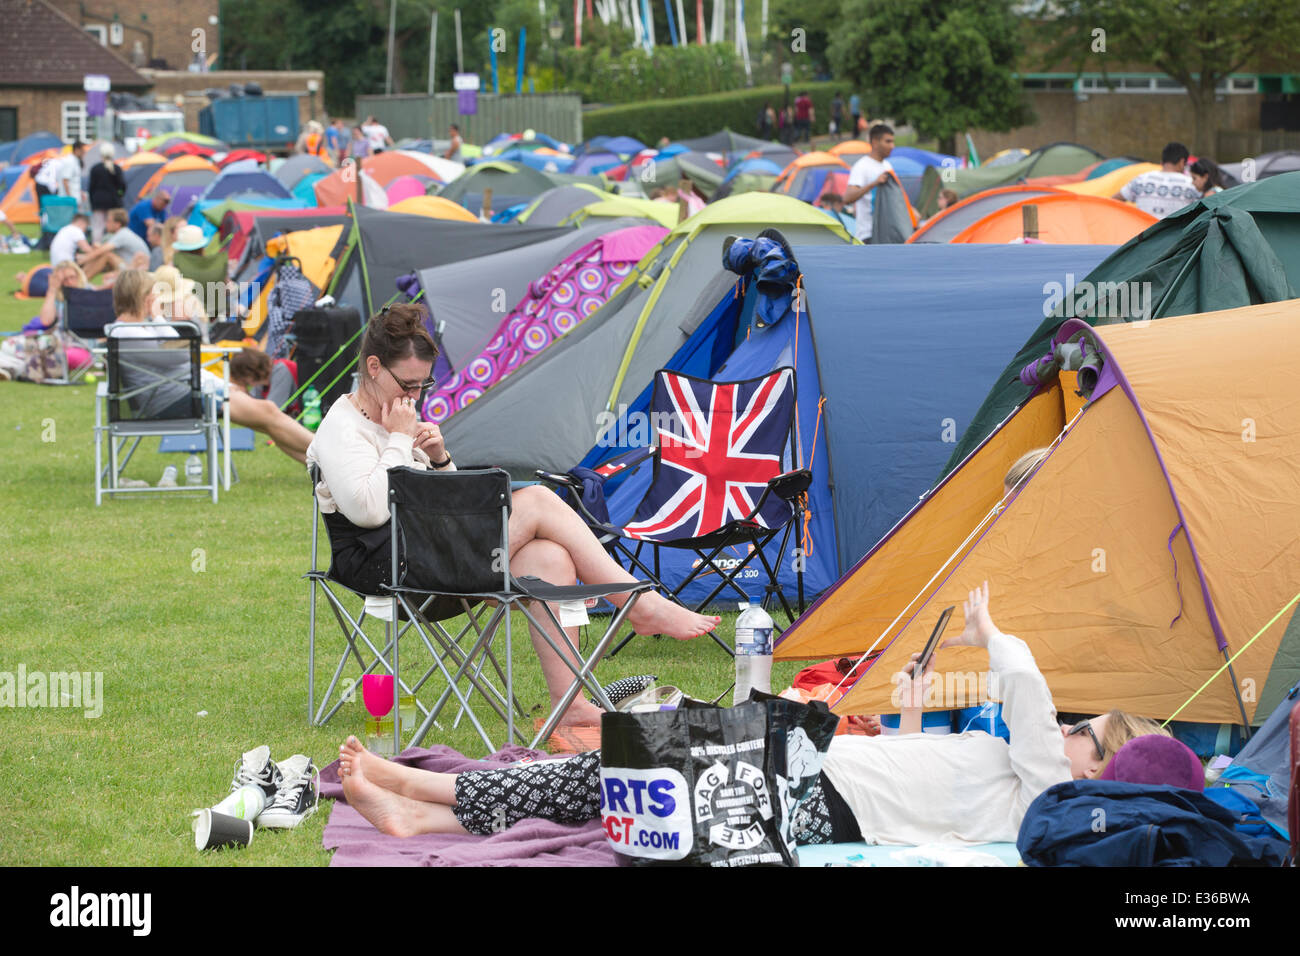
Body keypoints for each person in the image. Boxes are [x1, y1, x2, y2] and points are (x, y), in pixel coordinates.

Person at [334, 581, 1169, 843]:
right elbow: (927, 792)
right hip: (824, 773)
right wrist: (914, 719)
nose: (1066, 731)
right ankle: (427, 815)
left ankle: (423, 794)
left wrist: (996, 635)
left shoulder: (1052, 796)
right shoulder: (1032, 793)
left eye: (1084, 735)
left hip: (813, 794)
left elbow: (1025, 695)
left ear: (1105, 773)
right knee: (622, 787)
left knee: (628, 771)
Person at [306, 305, 719, 729]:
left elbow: (442, 503)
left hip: (430, 558)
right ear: (373, 367)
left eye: (423, 384)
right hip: (389, 569)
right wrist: (397, 439)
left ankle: (570, 705)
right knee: (537, 499)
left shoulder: (399, 417)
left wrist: (440, 459)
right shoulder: (342, 426)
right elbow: (369, 511)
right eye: (407, 384)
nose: (414, 397)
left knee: (549, 559)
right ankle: (637, 601)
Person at [107, 269, 317, 463]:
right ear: (141, 297)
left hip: (182, 392)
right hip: (173, 398)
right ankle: (328, 455)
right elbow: (182, 356)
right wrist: (159, 316)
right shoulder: (127, 332)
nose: (156, 297)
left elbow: (181, 357)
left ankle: (321, 466)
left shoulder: (135, 329)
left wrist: (220, 383)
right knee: (268, 413)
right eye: (153, 293)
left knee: (267, 417)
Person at [1113, 142, 1199, 219]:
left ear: (1163, 160)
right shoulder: (1192, 184)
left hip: (1143, 233)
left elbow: (1114, 200)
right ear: (1182, 162)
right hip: (1175, 236)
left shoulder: (1141, 180)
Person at [842, 123, 895, 242]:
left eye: (893, 142)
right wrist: (874, 183)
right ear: (875, 142)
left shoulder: (887, 165)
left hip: (886, 233)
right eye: (888, 141)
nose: (892, 146)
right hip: (868, 234)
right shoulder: (862, 166)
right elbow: (847, 197)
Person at [87, 145, 126, 242]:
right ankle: (112, 245)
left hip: (98, 202)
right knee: (113, 225)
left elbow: (91, 187)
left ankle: (96, 246)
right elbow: (122, 186)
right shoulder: (116, 169)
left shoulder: (95, 169)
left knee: (97, 226)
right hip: (113, 202)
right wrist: (119, 195)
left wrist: (92, 201)